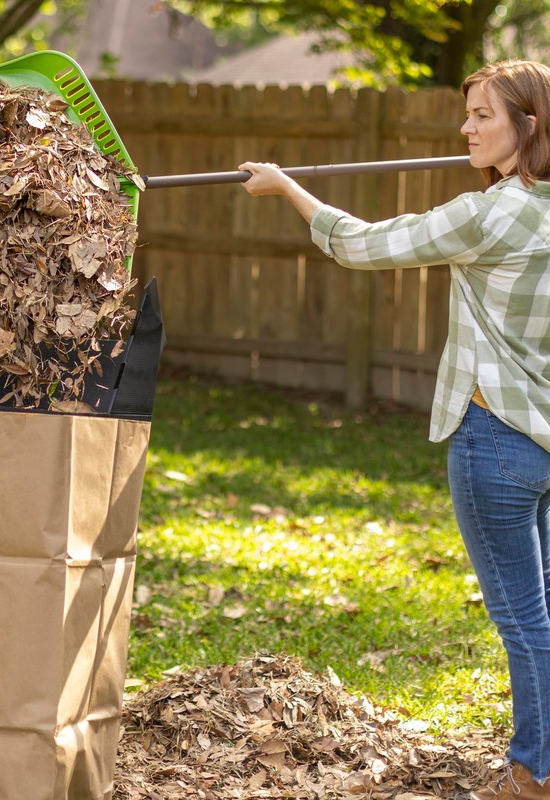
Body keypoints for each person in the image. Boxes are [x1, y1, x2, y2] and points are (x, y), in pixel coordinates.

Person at [238, 58, 550, 800]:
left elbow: (363, 244)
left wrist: (285, 187)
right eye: (466, 113)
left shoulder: (492, 214)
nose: (466, 127)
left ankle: (535, 774)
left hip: (498, 441)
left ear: (528, 127)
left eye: (482, 115)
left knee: (525, 623)